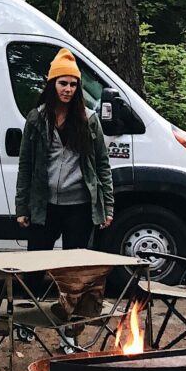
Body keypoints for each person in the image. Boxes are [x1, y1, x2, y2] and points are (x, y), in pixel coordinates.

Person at [14, 48, 114, 256]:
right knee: (36, 262)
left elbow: (102, 165)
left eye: (73, 84)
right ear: (52, 84)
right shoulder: (37, 118)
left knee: (73, 265)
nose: (68, 89)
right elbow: (25, 165)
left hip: (79, 206)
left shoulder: (89, 120)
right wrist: (22, 208)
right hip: (44, 204)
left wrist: (107, 208)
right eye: (63, 83)